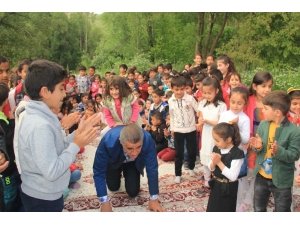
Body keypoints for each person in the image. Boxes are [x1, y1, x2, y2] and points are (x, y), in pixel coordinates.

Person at [18, 59, 100, 212]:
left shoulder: (42, 117)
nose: (65, 93)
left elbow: (56, 146)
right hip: (42, 198)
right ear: (45, 92)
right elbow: (52, 171)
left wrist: (77, 134)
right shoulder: (40, 125)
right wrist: (76, 145)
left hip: (45, 192)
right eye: (61, 88)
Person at [93, 123, 165, 212]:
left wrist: (154, 199)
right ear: (121, 142)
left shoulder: (147, 139)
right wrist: (104, 202)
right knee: (113, 187)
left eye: (139, 147)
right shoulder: (108, 141)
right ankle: (117, 172)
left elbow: (152, 169)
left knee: (133, 192)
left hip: (132, 163)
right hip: (114, 162)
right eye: (130, 148)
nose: (134, 153)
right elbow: (98, 171)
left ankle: (128, 172)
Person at [249, 90, 300, 212]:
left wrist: (279, 151)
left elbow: (294, 155)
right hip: (261, 176)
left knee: (282, 210)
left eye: (266, 108)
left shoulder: (294, 131)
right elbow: (258, 150)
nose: (262, 110)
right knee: (259, 208)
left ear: (277, 112)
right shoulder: (263, 125)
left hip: (282, 179)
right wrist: (258, 146)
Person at [239, 71, 273, 212]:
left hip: (265, 142)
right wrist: (244, 138)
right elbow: (240, 118)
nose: (267, 90)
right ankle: (246, 194)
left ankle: (247, 201)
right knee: (244, 171)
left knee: (257, 170)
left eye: (269, 86)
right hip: (248, 140)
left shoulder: (272, 102)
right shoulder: (248, 100)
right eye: (263, 86)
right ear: (254, 86)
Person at [218, 87, 250, 211]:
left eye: (239, 103)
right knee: (224, 176)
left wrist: (235, 127)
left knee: (237, 180)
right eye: (233, 102)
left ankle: (237, 204)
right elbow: (220, 131)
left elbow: (246, 139)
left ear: (245, 104)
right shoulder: (225, 115)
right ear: (228, 100)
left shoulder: (245, 118)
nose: (235, 105)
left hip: (238, 154)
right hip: (224, 152)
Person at [206, 122, 245, 212]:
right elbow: (211, 167)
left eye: (217, 140)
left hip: (228, 189)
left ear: (228, 139)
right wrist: (213, 164)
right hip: (216, 185)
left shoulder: (237, 153)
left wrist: (219, 162)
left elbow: (233, 176)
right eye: (214, 139)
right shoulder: (216, 148)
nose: (215, 143)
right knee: (213, 208)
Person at [197, 76, 227, 192]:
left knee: (214, 156)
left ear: (217, 91)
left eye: (209, 93)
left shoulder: (221, 105)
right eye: (204, 93)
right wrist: (200, 122)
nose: (206, 95)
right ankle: (206, 182)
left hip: (216, 135)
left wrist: (207, 121)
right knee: (205, 157)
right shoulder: (203, 103)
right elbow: (200, 116)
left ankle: (215, 181)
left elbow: (221, 123)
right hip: (205, 134)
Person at [168, 76, 199, 183]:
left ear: (185, 88)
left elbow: (198, 110)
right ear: (172, 88)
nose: (179, 92)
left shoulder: (190, 99)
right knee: (179, 153)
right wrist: (172, 128)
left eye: (182, 89)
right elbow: (171, 116)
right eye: (177, 89)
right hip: (178, 130)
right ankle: (178, 174)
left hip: (191, 129)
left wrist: (200, 121)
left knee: (191, 150)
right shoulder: (170, 101)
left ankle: (191, 167)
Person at [101, 75, 141, 140]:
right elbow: (107, 115)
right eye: (111, 89)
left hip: (132, 123)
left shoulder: (129, 97)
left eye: (117, 89)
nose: (114, 92)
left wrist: (132, 121)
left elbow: (136, 109)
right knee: (103, 133)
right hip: (116, 124)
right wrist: (112, 124)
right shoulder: (107, 100)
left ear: (122, 88)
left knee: (134, 138)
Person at [0, 82, 18, 212]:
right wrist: (12, 122)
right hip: (6, 169)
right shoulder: (3, 123)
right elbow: (10, 139)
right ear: (6, 101)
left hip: (9, 167)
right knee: (9, 194)